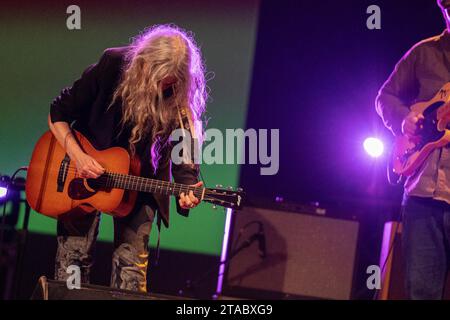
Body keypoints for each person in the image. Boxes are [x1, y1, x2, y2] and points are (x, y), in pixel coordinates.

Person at [47, 24, 207, 292]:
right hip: (83, 175)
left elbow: (185, 141)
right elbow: (58, 114)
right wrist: (80, 157)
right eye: (158, 78)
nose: (161, 86)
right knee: (72, 264)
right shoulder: (113, 64)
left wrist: (188, 186)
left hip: (140, 183)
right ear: (143, 61)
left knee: (131, 274)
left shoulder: (180, 87)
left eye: (168, 82)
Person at [376, 0, 450, 300]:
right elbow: (386, 96)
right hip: (423, 195)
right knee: (421, 293)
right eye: (446, 4)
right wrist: (405, 120)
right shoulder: (424, 52)